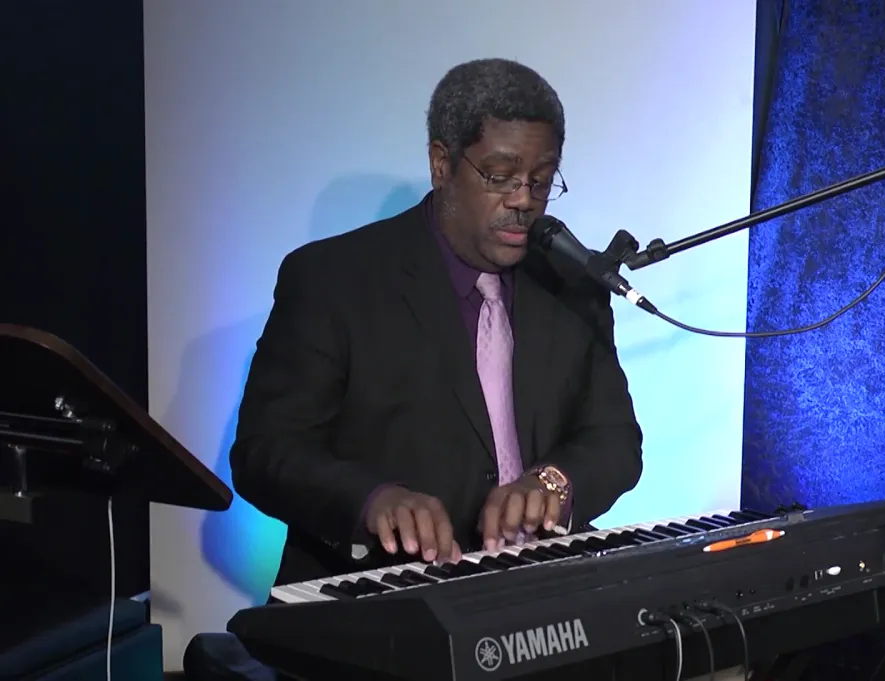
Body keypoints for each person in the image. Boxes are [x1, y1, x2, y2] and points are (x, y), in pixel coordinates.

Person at [229, 58, 644, 586]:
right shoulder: (332, 279)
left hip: (538, 593)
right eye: (500, 176)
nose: (522, 200)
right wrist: (372, 502)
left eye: (540, 180)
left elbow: (614, 440)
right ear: (442, 164)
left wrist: (554, 484)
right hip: (377, 602)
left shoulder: (571, 280)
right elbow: (267, 452)